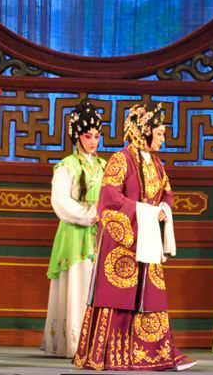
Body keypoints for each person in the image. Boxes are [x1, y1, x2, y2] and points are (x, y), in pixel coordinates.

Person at [73, 102, 196, 371]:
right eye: (159, 133)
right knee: (119, 295)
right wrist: (143, 211)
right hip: (122, 240)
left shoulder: (157, 164)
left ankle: (155, 354)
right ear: (144, 131)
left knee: (150, 295)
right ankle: (112, 355)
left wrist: (162, 210)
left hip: (147, 237)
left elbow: (166, 193)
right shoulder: (121, 159)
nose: (163, 139)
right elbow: (110, 197)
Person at [41, 99, 107, 357]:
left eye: (97, 136)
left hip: (99, 233)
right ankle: (73, 342)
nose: (93, 141)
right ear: (77, 136)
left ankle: (95, 341)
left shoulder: (104, 166)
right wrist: (89, 214)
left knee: (96, 285)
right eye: (88, 136)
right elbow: (60, 201)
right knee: (76, 284)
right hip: (74, 232)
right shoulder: (66, 166)